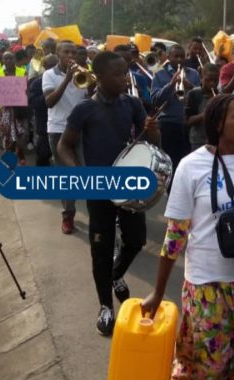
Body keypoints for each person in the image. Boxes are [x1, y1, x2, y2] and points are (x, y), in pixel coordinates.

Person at [140, 94, 234, 380]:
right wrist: (157, 291)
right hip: (207, 285)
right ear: (218, 123)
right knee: (215, 363)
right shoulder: (191, 166)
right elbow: (175, 236)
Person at [57, 51, 159, 336]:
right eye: (118, 73)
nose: (125, 77)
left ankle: (115, 274)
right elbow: (63, 146)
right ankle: (105, 307)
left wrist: (152, 129)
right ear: (99, 77)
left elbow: (154, 143)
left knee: (136, 241)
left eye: (125, 71)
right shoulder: (84, 109)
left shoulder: (133, 104)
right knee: (100, 250)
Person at [42, 40, 89, 234]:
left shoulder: (83, 72)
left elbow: (88, 99)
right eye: (66, 52)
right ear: (58, 54)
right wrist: (67, 78)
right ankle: (68, 215)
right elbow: (49, 102)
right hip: (58, 130)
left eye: (74, 52)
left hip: (80, 130)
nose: (71, 55)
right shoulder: (49, 74)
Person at [151, 44, 201, 172]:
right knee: (169, 161)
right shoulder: (159, 74)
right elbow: (155, 100)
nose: (180, 60)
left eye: (182, 56)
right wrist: (171, 84)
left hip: (187, 124)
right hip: (168, 123)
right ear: (168, 57)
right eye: (176, 56)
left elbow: (200, 97)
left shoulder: (193, 73)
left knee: (186, 161)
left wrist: (190, 86)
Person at [0, 51, 29, 164]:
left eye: (11, 58)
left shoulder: (22, 71)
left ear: (15, 59)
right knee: (6, 133)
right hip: (4, 109)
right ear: (2, 60)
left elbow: (26, 88)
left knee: (21, 132)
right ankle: (9, 155)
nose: (8, 61)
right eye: (6, 58)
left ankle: (21, 154)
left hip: (19, 107)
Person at [28, 54, 58, 166]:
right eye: (50, 65)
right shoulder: (37, 83)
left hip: (62, 126)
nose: (53, 68)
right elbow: (33, 103)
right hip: (44, 127)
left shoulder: (65, 79)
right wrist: (51, 93)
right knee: (43, 157)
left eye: (55, 65)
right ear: (44, 66)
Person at [185, 63, 219, 151]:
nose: (212, 83)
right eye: (208, 80)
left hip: (217, 140)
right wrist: (206, 113)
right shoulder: (193, 94)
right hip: (198, 141)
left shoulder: (220, 96)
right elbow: (187, 121)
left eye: (215, 80)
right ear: (201, 78)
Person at [114, 44, 151, 110]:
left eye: (128, 60)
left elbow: (149, 104)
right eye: (121, 60)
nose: (125, 63)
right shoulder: (106, 78)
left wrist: (140, 94)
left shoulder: (139, 77)